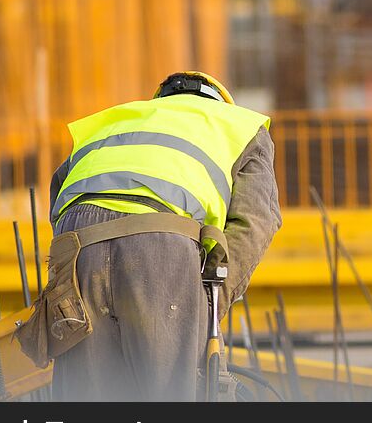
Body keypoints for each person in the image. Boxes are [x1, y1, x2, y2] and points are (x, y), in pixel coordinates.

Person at [47, 71, 281, 401]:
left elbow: (59, 194)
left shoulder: (112, 124)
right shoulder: (238, 126)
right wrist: (208, 307)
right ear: (219, 103)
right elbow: (256, 221)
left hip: (78, 246)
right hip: (160, 246)